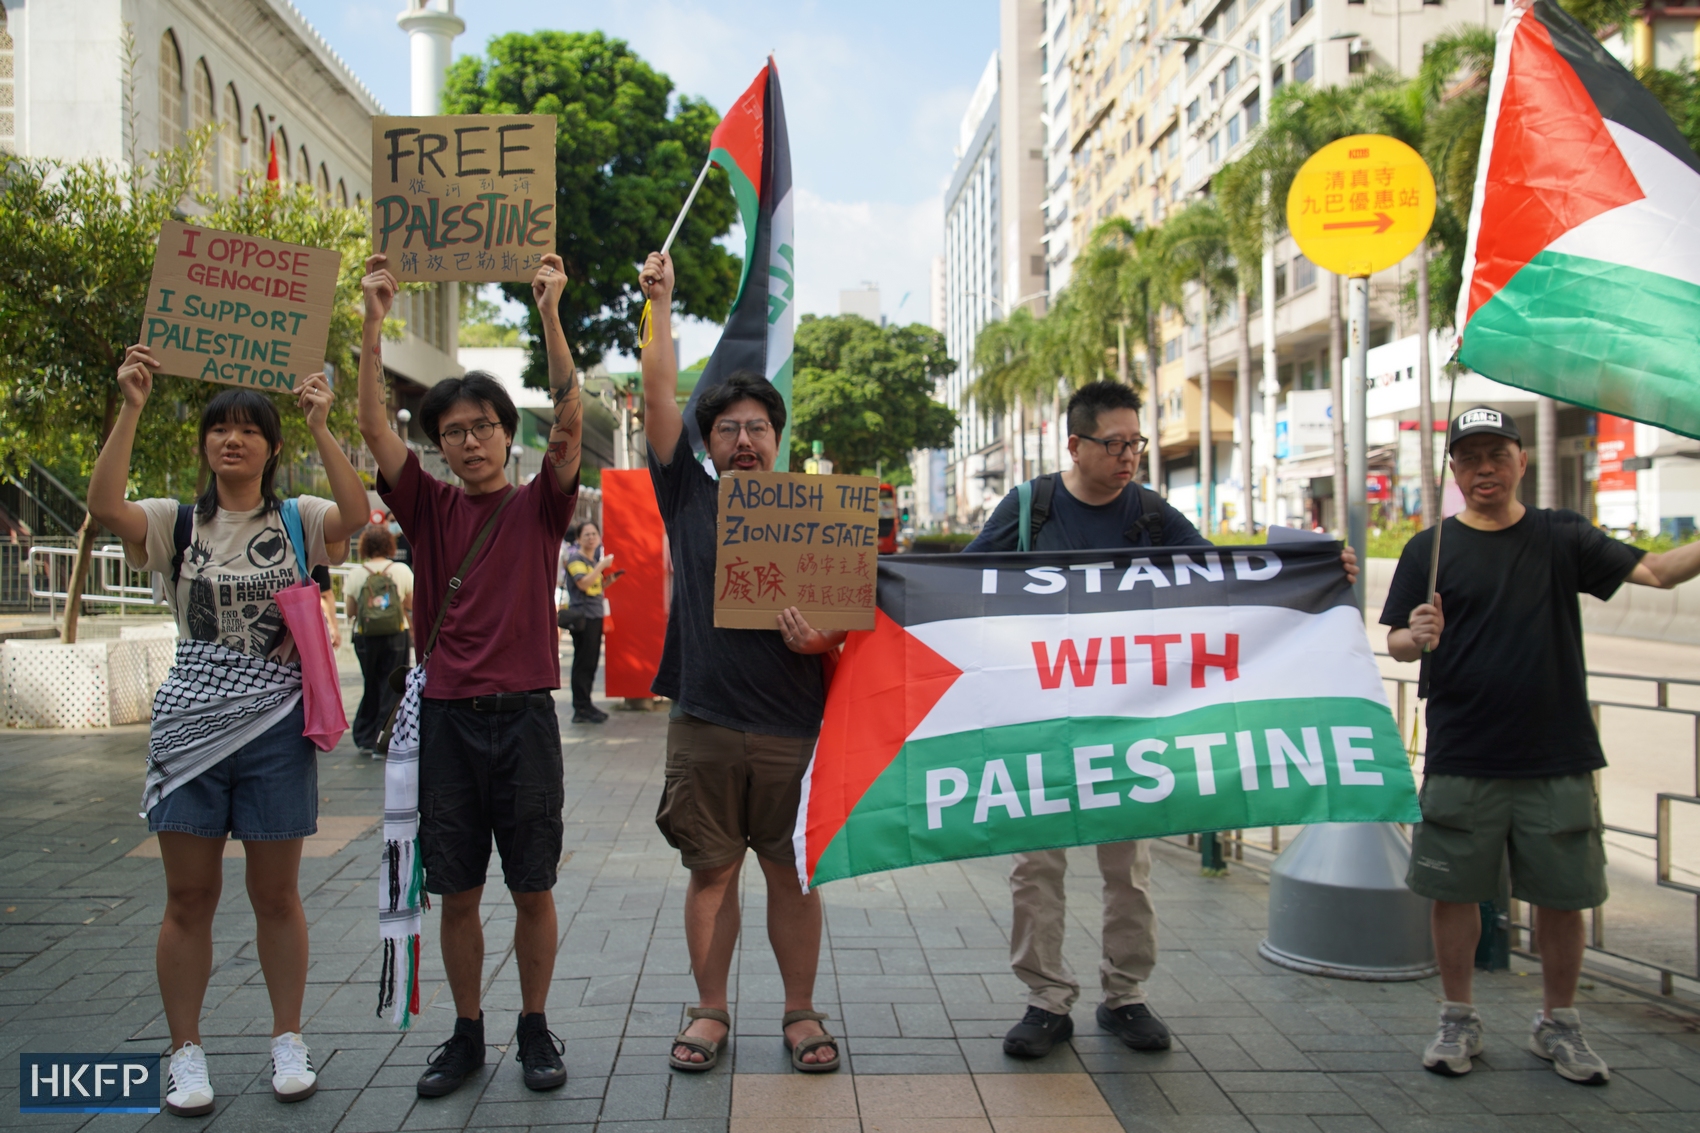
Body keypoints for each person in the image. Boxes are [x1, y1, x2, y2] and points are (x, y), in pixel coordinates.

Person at [965, 380, 1360, 1061]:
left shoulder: (1150, 510)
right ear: (1076, 444)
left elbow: (1222, 573)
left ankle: (1126, 995)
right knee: (1036, 867)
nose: (1128, 457)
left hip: (1127, 723)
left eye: (1135, 443)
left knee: (1131, 869)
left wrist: (1315, 567)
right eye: (1114, 444)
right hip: (1041, 721)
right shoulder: (1030, 505)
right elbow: (962, 585)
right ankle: (1045, 1000)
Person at [88, 348, 369, 1117]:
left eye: (249, 430)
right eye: (220, 430)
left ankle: (287, 1039)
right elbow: (103, 503)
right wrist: (133, 404)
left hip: (278, 728)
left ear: (272, 448)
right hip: (188, 730)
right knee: (188, 895)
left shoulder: (297, 519)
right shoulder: (172, 522)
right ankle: (185, 1052)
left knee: (275, 895)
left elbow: (360, 515)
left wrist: (321, 425)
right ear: (205, 445)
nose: (232, 441)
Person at [1383, 405, 1700, 1086]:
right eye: (1469, 457)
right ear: (1454, 470)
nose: (1484, 468)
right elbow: (1398, 645)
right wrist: (1418, 632)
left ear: (1523, 461)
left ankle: (1559, 1022)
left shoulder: (1563, 537)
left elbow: (1662, 574)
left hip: (1557, 754)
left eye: (1497, 454)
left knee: (1564, 896)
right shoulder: (1428, 548)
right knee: (1454, 893)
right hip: (1463, 751)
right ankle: (1457, 1014)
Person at [357, 251, 582, 1098]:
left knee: (532, 885)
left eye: (485, 425)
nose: (471, 440)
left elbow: (569, 415)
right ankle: (466, 1033)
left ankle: (534, 1026)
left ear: (504, 433)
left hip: (524, 718)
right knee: (455, 890)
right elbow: (375, 427)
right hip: (447, 719)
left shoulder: (541, 503)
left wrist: (549, 311)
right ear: (440, 444)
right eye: (454, 431)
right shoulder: (427, 503)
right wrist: (375, 319)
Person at [639, 251, 842, 1074]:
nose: (746, 439)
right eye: (730, 428)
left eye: (759, 426)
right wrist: (662, 307)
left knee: (793, 878)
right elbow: (657, 397)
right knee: (710, 874)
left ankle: (800, 1011)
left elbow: (846, 627)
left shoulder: (818, 516)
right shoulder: (686, 494)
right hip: (705, 722)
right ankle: (711, 1009)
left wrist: (818, 641)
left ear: (777, 437)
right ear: (709, 443)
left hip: (795, 724)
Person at [344, 524, 414, 755]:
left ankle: (365, 736)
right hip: (396, 633)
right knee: (391, 686)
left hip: (365, 636)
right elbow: (411, 604)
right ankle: (388, 737)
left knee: (370, 683)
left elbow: (351, 612)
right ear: (389, 545)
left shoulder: (356, 574)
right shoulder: (401, 570)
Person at [560, 521, 616, 724]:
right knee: (583, 663)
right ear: (578, 539)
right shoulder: (576, 559)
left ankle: (586, 704)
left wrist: (606, 580)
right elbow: (583, 583)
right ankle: (580, 708)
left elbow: (594, 585)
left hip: (594, 616)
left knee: (591, 663)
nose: (591, 538)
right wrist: (601, 566)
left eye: (594, 534)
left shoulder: (592, 561)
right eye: (587, 534)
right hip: (583, 618)